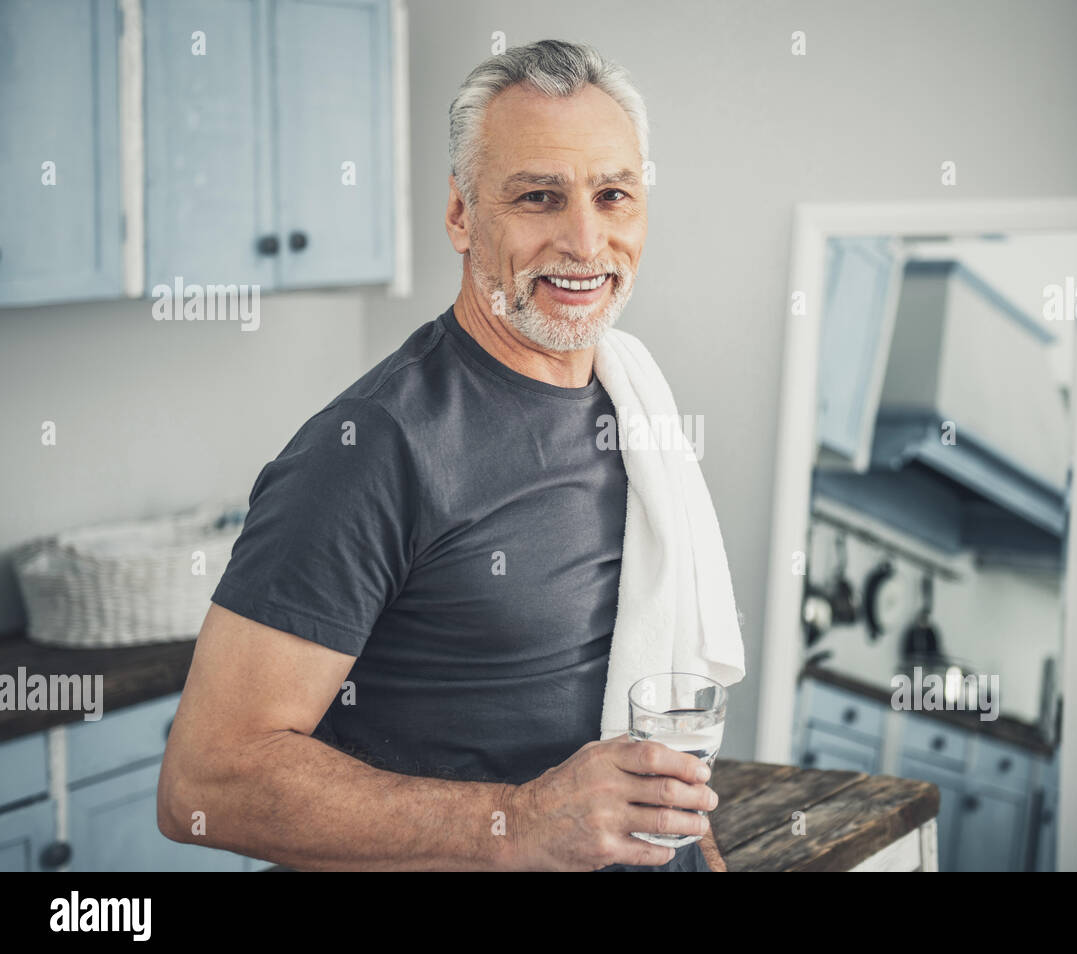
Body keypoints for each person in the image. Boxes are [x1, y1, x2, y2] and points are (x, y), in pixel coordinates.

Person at [157, 39, 725, 872]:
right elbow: (202, 784)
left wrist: (699, 850)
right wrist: (523, 820)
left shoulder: (633, 399)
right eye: (539, 196)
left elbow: (645, 676)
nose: (585, 239)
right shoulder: (371, 449)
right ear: (461, 214)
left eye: (613, 195)